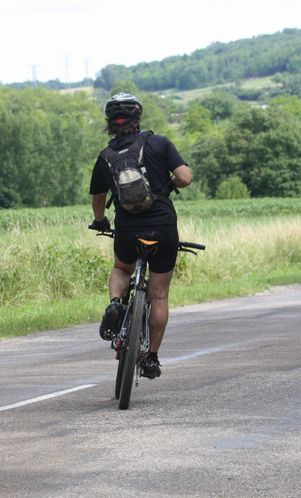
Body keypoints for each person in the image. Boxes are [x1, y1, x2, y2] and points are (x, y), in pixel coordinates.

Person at [89, 92, 193, 379]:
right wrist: (169, 184)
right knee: (159, 295)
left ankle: (114, 303)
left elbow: (98, 199)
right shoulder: (159, 143)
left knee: (121, 268)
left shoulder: (106, 157)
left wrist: (100, 221)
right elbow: (185, 177)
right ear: (138, 118)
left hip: (127, 228)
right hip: (162, 225)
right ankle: (151, 358)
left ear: (109, 123)